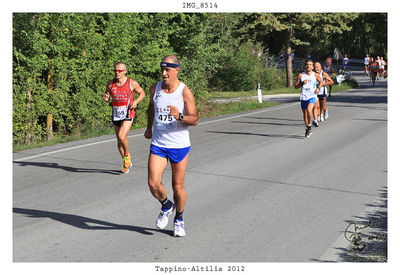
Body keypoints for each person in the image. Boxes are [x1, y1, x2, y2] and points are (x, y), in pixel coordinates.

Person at [144, 55, 198, 237]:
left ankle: (179, 219)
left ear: (177, 70)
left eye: (168, 69)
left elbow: (195, 119)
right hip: (159, 144)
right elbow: (151, 108)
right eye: (162, 69)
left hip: (179, 145)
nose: (164, 73)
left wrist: (180, 117)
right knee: (153, 183)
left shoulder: (184, 91)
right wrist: (148, 128)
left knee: (178, 187)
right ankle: (166, 205)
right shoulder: (155, 88)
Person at [103, 62, 145, 173]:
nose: (117, 72)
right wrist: (106, 97)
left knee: (122, 137)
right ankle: (127, 163)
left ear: (125, 71)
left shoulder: (132, 83)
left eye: (119, 71)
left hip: (128, 113)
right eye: (115, 70)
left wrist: (135, 101)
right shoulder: (110, 83)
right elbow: (107, 94)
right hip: (116, 113)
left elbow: (142, 93)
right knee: (119, 141)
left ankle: (126, 156)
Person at [295, 60, 323, 138]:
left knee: (309, 109)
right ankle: (308, 127)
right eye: (307, 64)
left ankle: (310, 125)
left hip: (312, 96)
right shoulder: (301, 75)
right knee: (305, 114)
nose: (308, 66)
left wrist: (318, 88)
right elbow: (295, 86)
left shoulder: (315, 75)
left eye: (310, 65)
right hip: (304, 96)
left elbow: (321, 82)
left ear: (312, 67)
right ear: (305, 66)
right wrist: (301, 83)